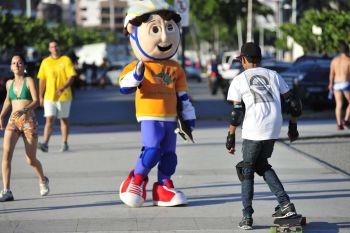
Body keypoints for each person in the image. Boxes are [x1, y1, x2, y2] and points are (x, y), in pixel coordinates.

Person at [118, 0, 196, 208]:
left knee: (170, 156)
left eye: (169, 28)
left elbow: (183, 95)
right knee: (152, 150)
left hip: (171, 117)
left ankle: (163, 187)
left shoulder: (176, 68)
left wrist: (188, 116)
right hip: (149, 115)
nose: (164, 37)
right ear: (133, 31)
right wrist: (136, 75)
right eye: (155, 29)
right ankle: (136, 179)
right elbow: (125, 86)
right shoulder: (138, 65)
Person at [225, 42, 302, 230]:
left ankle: (247, 216)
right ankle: (286, 205)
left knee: (247, 169)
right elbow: (293, 103)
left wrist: (231, 136)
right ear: (259, 59)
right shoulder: (274, 75)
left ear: (244, 59)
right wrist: (292, 127)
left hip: (254, 128)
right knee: (262, 164)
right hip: (273, 127)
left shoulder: (239, 79)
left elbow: (236, 113)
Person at [0, 54, 49, 202]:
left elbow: (36, 101)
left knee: (31, 159)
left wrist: (25, 110)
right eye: (14, 63)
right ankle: (7, 191)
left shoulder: (29, 81)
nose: (16, 65)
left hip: (29, 122)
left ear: (25, 66)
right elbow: (8, 101)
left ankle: (43, 180)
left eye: (20, 63)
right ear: (11, 66)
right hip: (13, 121)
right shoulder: (9, 83)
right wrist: (1, 116)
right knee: (6, 155)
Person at [37, 41, 77, 152]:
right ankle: (45, 143)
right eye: (52, 47)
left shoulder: (65, 60)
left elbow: (71, 77)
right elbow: (42, 80)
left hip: (64, 96)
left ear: (59, 47)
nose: (54, 48)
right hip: (49, 96)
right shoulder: (45, 62)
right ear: (49, 49)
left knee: (63, 120)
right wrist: (40, 96)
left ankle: (65, 143)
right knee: (49, 119)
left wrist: (63, 88)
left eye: (56, 46)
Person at [328, 41, 350, 130]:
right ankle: (346, 120)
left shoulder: (334, 60)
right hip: (345, 83)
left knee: (339, 104)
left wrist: (330, 84)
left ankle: (339, 124)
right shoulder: (348, 60)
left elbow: (331, 74)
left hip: (336, 84)